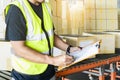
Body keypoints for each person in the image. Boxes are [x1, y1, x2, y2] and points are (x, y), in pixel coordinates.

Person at [5, 0, 81, 80]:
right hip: (26, 75)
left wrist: (69, 48)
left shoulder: (46, 6)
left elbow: (51, 35)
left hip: (48, 71)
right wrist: (54, 60)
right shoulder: (16, 9)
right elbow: (19, 49)